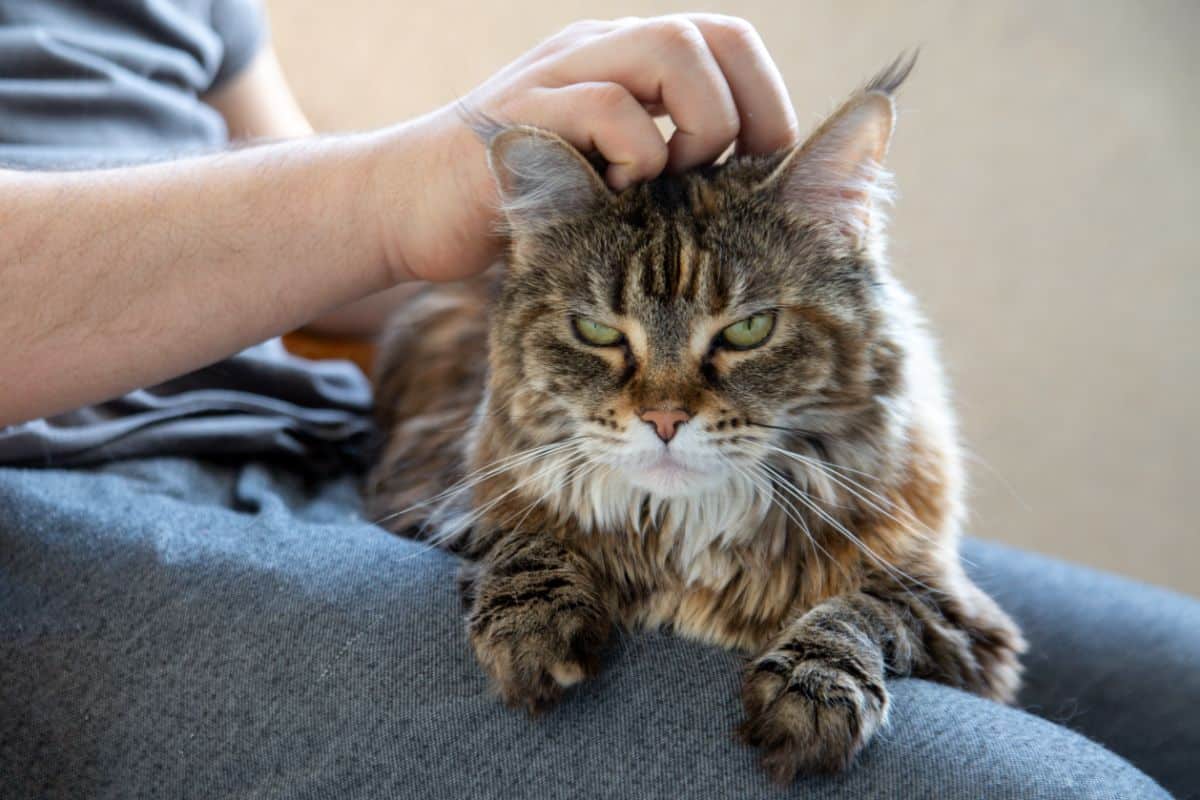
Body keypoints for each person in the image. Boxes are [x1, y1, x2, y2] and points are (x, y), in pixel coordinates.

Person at [0, 3, 1195, 798]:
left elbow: (337, 263)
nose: (668, 403)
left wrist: (587, 247)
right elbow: (361, 211)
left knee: (1182, 689)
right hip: (70, 496)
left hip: (318, 439)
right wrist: (389, 187)